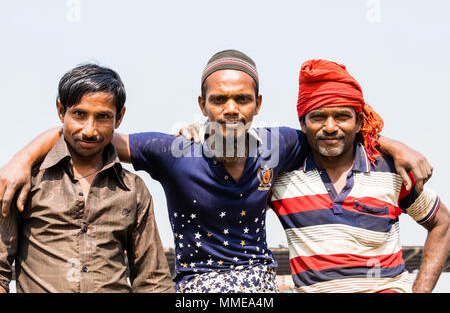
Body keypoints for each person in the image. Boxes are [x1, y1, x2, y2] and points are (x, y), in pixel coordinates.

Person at [0, 50, 433, 293]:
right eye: (219, 100)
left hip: (258, 285)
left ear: (257, 105)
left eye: (242, 100)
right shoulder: (172, 150)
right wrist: (25, 156)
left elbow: (333, 132)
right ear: (202, 103)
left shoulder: (280, 143)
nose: (230, 109)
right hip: (195, 289)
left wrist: (394, 145)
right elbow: (91, 131)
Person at [270, 59, 449, 293]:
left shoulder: (391, 170)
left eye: (342, 116)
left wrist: (421, 290)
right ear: (303, 124)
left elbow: (442, 222)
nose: (331, 126)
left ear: (358, 123)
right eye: (318, 117)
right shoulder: (281, 180)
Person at [0, 64, 174, 293]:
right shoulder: (25, 180)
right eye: (79, 114)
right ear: (61, 111)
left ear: (119, 117)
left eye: (102, 117)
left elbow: (153, 282)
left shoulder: (133, 190)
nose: (90, 130)